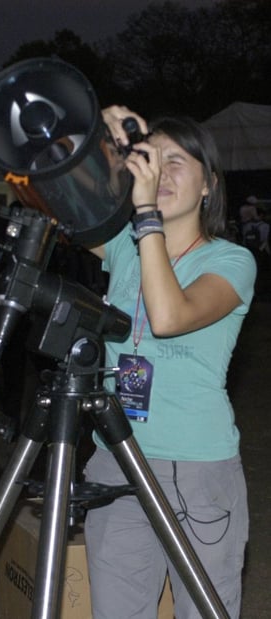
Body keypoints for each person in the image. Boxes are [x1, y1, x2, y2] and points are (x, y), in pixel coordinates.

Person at [83, 106, 257, 619]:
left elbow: (168, 315)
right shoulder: (122, 246)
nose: (158, 172)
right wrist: (102, 143)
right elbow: (62, 199)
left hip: (196, 470)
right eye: (151, 159)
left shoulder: (230, 261)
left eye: (175, 161)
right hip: (116, 457)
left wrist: (144, 216)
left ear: (209, 185)